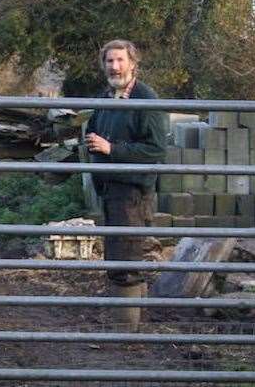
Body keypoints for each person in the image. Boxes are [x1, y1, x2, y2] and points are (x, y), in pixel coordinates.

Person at [83, 39, 168, 331]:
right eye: (109, 61)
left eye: (120, 60)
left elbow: (156, 150)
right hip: (111, 188)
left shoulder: (146, 99)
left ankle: (125, 331)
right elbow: (93, 130)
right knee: (121, 253)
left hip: (132, 191)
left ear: (133, 63)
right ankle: (133, 324)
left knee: (126, 257)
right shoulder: (106, 97)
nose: (114, 66)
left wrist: (112, 149)